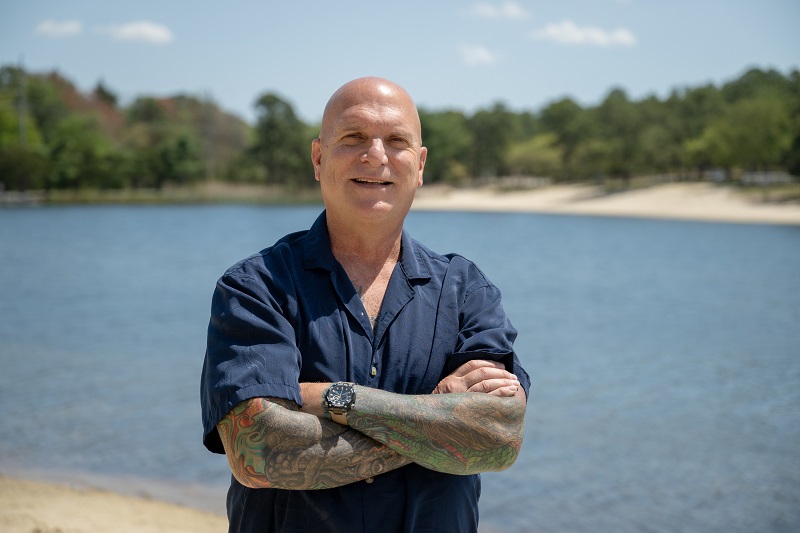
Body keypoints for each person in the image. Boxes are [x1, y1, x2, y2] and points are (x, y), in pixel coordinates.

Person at [201, 76, 530, 533]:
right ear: (319, 158)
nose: (375, 155)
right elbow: (258, 455)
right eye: (353, 137)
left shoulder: (467, 290)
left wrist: (333, 398)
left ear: (419, 165)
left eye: (396, 141)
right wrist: (441, 426)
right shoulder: (256, 288)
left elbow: (499, 438)